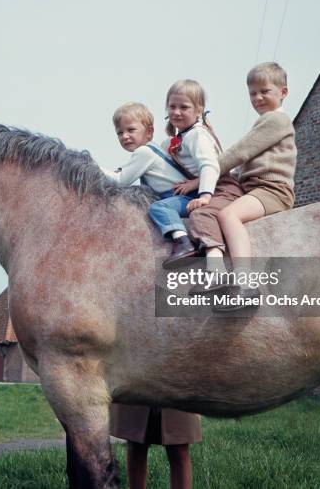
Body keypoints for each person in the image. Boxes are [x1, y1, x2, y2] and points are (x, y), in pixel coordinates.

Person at [103, 103, 201, 489]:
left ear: (147, 131)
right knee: (135, 441)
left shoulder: (162, 170)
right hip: (137, 350)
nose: (127, 138)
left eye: (132, 130)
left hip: (174, 348)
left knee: (179, 446)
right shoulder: (135, 197)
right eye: (120, 133)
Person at [191, 62, 297, 311]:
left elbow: (239, 152)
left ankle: (245, 283)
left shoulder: (276, 120)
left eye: (265, 91)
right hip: (255, 188)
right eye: (252, 93)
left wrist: (203, 178)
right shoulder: (265, 122)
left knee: (228, 215)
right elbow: (241, 156)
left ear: (283, 92)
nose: (258, 98)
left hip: (272, 189)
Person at [147, 80, 222, 268]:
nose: (176, 112)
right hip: (196, 190)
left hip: (204, 192)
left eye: (184, 107)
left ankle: (184, 243)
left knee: (160, 208)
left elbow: (209, 165)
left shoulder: (197, 134)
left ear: (198, 110)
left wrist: (205, 195)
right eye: (172, 106)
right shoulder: (181, 137)